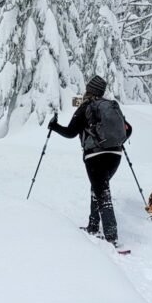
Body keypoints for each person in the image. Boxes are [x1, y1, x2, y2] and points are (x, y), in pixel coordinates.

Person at [48, 75, 132, 249]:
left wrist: (54, 126)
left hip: (95, 157)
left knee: (102, 193)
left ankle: (111, 237)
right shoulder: (110, 107)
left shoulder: (85, 107)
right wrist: (114, 142)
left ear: (89, 90)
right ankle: (93, 226)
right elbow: (128, 129)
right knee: (99, 187)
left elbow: (70, 132)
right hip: (115, 155)